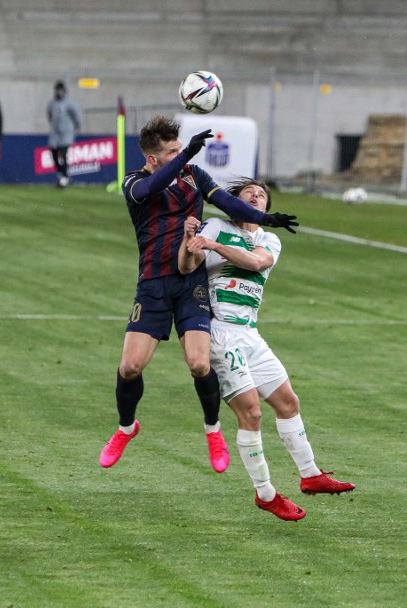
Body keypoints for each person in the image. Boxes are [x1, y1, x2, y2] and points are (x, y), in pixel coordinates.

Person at [99, 116, 299, 473]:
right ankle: (126, 428)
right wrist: (185, 154)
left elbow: (227, 203)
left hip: (192, 281)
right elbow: (154, 188)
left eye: (181, 148)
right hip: (153, 283)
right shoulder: (135, 182)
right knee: (130, 367)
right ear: (152, 159)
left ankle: (213, 430)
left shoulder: (194, 176)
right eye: (173, 152)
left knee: (199, 363)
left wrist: (264, 219)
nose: (181, 156)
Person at [178, 178, 354, 521]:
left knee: (288, 402)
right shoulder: (215, 225)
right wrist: (190, 243)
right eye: (250, 194)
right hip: (220, 332)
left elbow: (255, 263)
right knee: (252, 414)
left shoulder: (268, 238)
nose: (257, 197)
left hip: (250, 334)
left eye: (262, 195)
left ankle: (311, 475)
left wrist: (212, 245)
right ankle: (266, 493)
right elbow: (186, 267)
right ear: (235, 203)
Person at [46, 80, 82, 188]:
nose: (59, 92)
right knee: (54, 155)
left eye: (61, 90)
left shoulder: (69, 103)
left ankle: (65, 177)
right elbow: (49, 116)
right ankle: (62, 175)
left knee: (63, 154)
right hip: (55, 134)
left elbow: (77, 116)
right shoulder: (52, 103)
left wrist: (73, 128)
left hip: (66, 134)